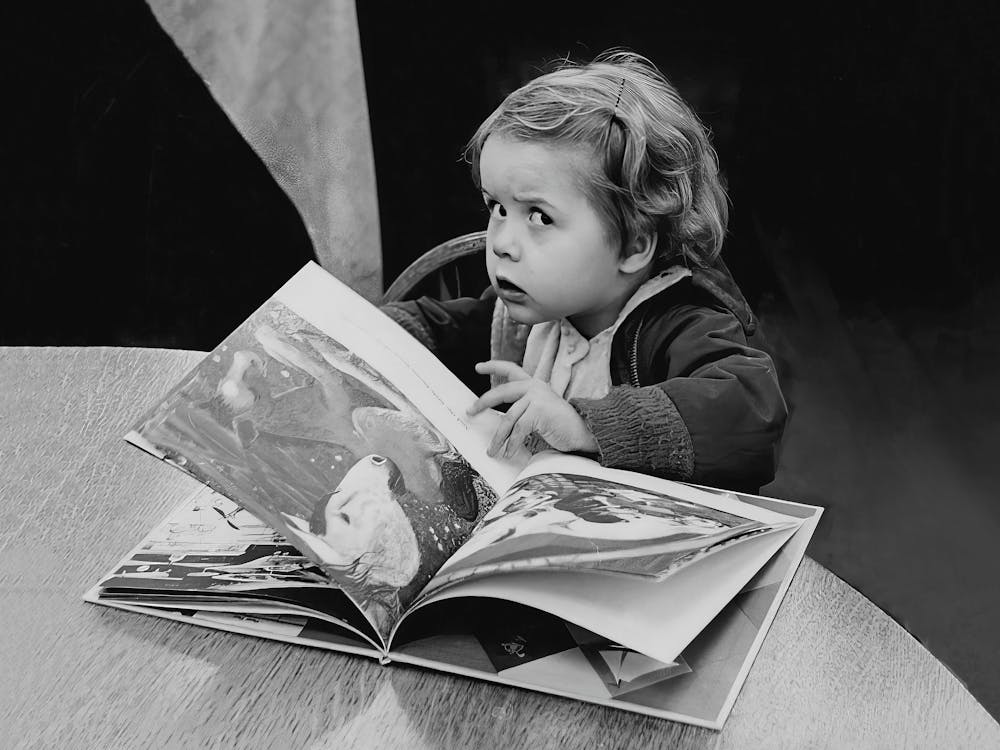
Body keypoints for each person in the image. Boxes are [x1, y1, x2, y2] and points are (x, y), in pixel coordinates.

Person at [382, 49, 786, 493]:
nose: (502, 243)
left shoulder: (683, 323)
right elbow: (446, 328)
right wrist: (368, 330)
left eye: (539, 217)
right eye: (497, 207)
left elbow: (748, 409)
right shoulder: (530, 313)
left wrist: (584, 425)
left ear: (633, 245)